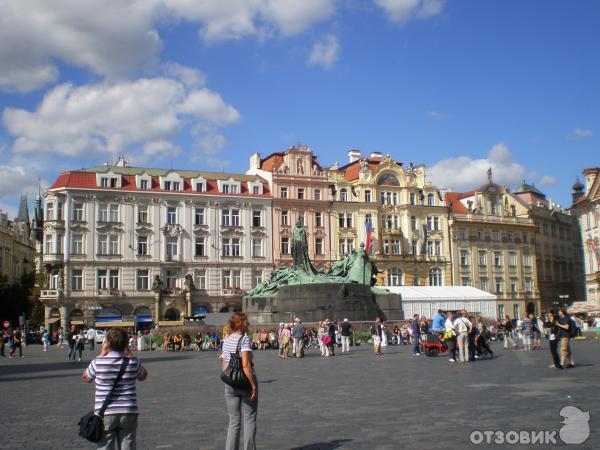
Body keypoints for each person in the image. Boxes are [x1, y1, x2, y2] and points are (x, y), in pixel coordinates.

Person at [83, 328, 148, 450]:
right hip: (128, 410)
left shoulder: (98, 362)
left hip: (105, 412)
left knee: (105, 446)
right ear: (126, 344)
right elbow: (143, 376)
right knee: (128, 445)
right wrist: (130, 354)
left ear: (107, 343)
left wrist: (101, 354)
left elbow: (86, 378)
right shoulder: (133, 362)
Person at [220, 313, 258, 450]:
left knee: (234, 421)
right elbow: (246, 365)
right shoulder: (244, 339)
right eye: (247, 322)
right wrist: (252, 385)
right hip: (244, 382)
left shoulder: (227, 339)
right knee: (250, 418)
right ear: (241, 324)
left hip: (229, 383)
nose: (249, 324)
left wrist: (227, 378)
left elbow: (223, 361)